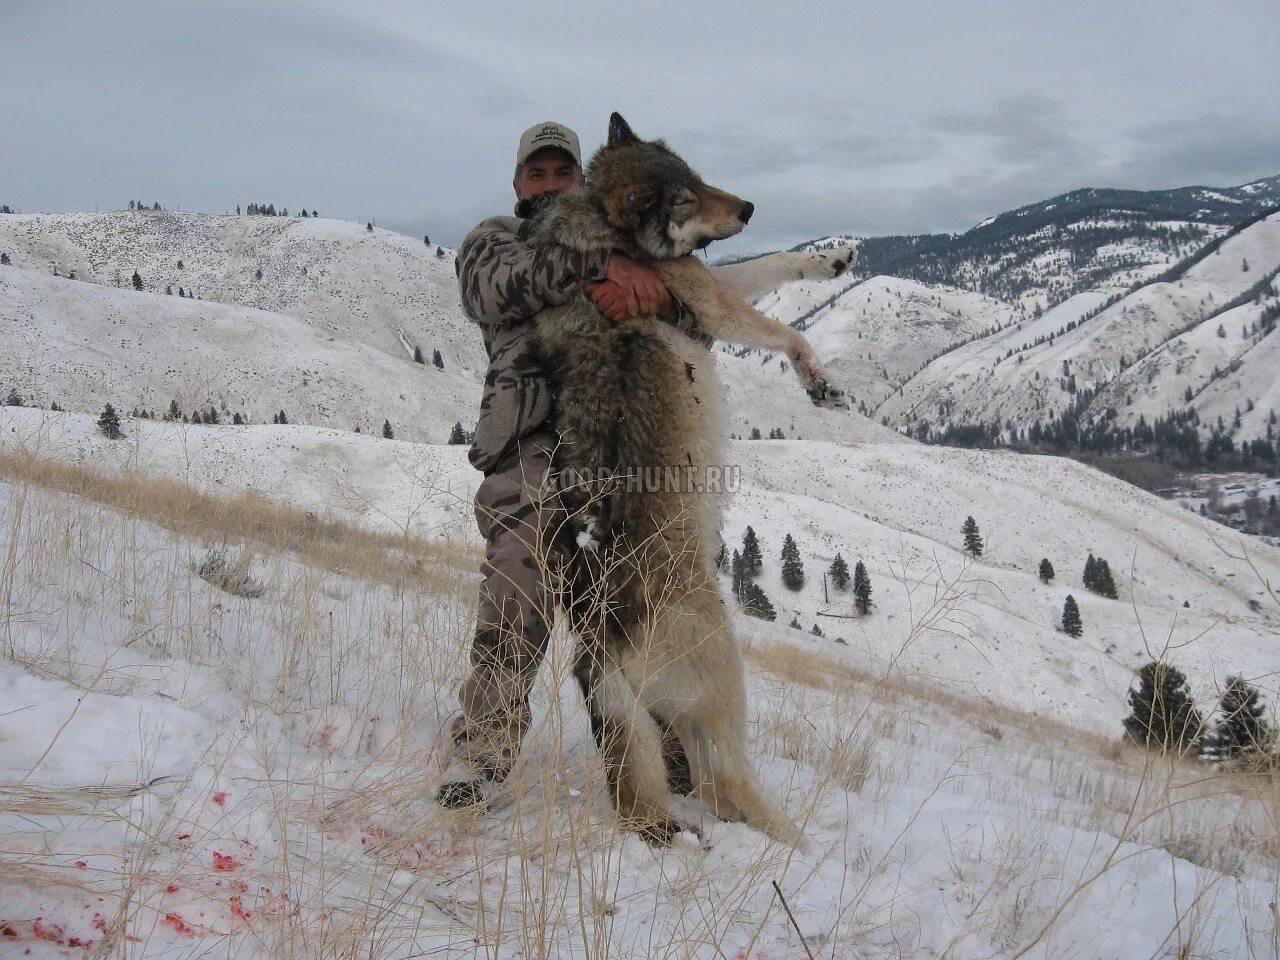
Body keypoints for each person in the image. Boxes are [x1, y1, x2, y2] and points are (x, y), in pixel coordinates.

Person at [439, 121, 693, 807]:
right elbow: (499, 288)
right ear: (518, 183)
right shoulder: (494, 240)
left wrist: (658, 294)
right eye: (537, 173)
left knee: (640, 587)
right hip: (530, 439)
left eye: (562, 172)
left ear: (581, 179)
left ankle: (668, 757)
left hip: (615, 442)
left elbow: (691, 316)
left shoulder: (622, 244)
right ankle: (484, 748)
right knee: (520, 563)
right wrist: (601, 265)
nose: (549, 184)